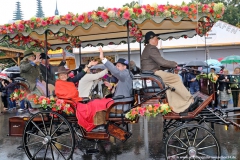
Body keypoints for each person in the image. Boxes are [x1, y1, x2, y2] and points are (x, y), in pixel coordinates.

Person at [141, 31, 193, 113]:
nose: (157, 40)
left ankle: (178, 106)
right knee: (175, 78)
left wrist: (169, 66)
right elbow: (162, 62)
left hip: (151, 72)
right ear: (151, 39)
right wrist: (174, 64)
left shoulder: (147, 48)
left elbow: (159, 64)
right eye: (156, 38)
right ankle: (189, 100)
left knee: (169, 86)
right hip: (153, 73)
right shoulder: (151, 48)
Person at [55, 62, 114, 132]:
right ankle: (96, 124)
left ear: (67, 75)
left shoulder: (69, 81)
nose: (63, 76)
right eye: (61, 75)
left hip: (77, 101)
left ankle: (99, 122)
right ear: (59, 76)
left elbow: (79, 75)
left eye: (64, 74)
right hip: (72, 103)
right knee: (92, 105)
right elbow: (65, 95)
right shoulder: (58, 83)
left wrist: (88, 65)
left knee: (95, 102)